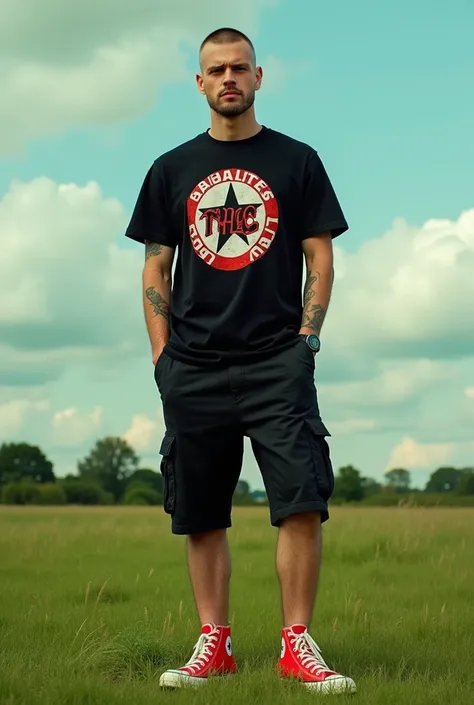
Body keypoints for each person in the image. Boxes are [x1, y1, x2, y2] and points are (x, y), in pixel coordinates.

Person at [124, 27, 356, 695]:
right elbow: (155, 263)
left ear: (259, 76)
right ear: (199, 83)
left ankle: (297, 644)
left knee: (302, 500)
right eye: (215, 70)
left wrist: (307, 339)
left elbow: (321, 255)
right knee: (200, 510)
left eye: (239, 67)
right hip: (192, 365)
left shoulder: (298, 161)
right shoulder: (170, 169)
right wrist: (162, 355)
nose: (228, 78)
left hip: (277, 360)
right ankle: (214, 644)